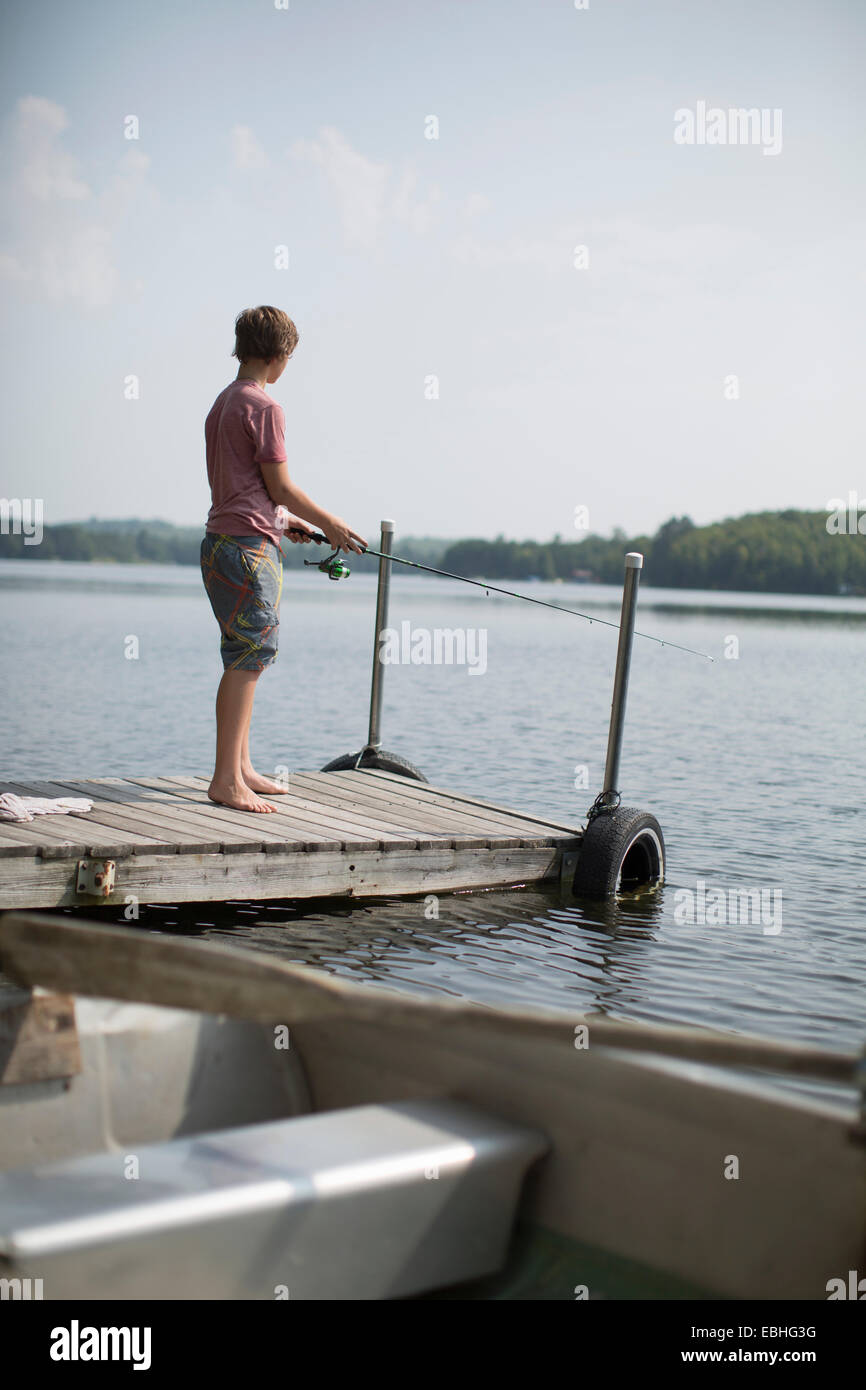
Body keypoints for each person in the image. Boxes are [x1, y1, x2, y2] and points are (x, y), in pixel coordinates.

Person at [201, 305, 366, 812]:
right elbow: (281, 485)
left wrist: (281, 521)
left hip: (221, 544)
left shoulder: (222, 403)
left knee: (243, 656)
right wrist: (331, 523)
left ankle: (241, 768)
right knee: (251, 659)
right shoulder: (266, 407)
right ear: (281, 355)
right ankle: (225, 780)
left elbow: (246, 489)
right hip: (249, 552)